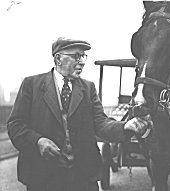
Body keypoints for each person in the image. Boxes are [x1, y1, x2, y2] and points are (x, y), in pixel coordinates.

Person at [7, 37, 153, 191]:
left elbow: (101, 123)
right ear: (58, 58)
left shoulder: (88, 88)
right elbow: (15, 125)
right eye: (76, 56)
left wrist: (125, 126)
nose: (82, 62)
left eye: (84, 56)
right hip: (43, 178)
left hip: (82, 178)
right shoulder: (31, 85)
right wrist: (38, 141)